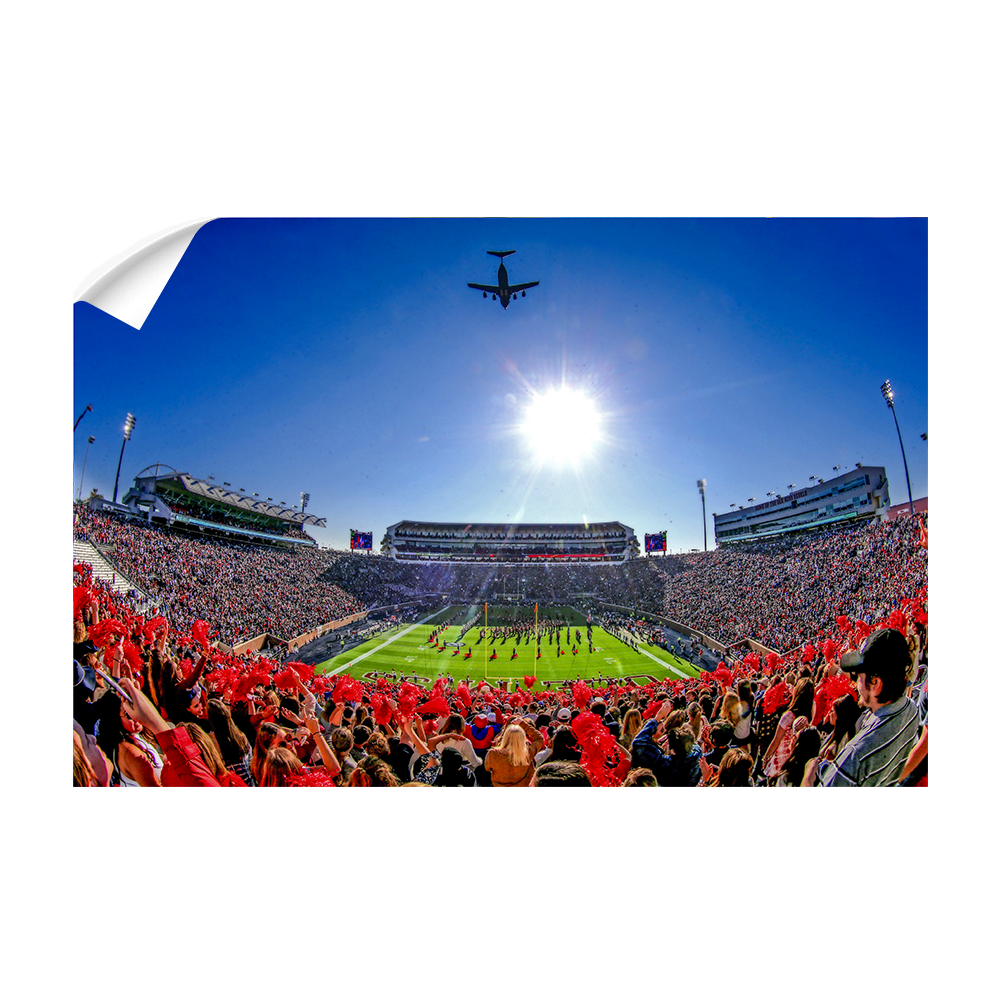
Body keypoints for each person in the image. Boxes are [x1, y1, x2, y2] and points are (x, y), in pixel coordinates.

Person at [805, 629, 920, 787]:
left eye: (859, 677)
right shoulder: (911, 709)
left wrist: (807, 777)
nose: (857, 683)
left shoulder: (854, 756)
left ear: (875, 683)